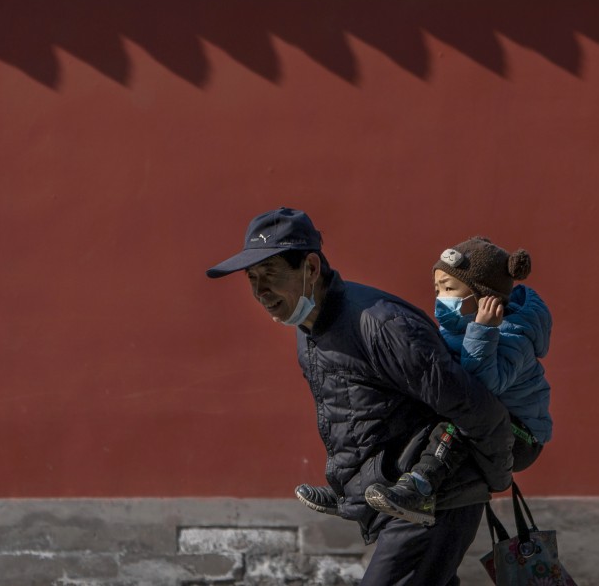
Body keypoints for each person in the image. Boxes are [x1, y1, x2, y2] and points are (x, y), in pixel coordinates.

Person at [206, 208, 514, 586]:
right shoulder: (307, 328)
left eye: (270, 275)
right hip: (390, 501)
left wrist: (497, 476)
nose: (260, 292)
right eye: (252, 279)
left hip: (430, 499)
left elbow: (474, 407)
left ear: (311, 268)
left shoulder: (381, 325)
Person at [364, 236, 553, 526]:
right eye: (438, 288)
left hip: (522, 436)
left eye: (450, 289)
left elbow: (482, 389)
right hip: (489, 417)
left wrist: (483, 331)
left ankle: (420, 488)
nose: (442, 297)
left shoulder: (513, 336)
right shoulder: (458, 328)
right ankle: (360, 490)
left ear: (484, 296)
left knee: (460, 418)